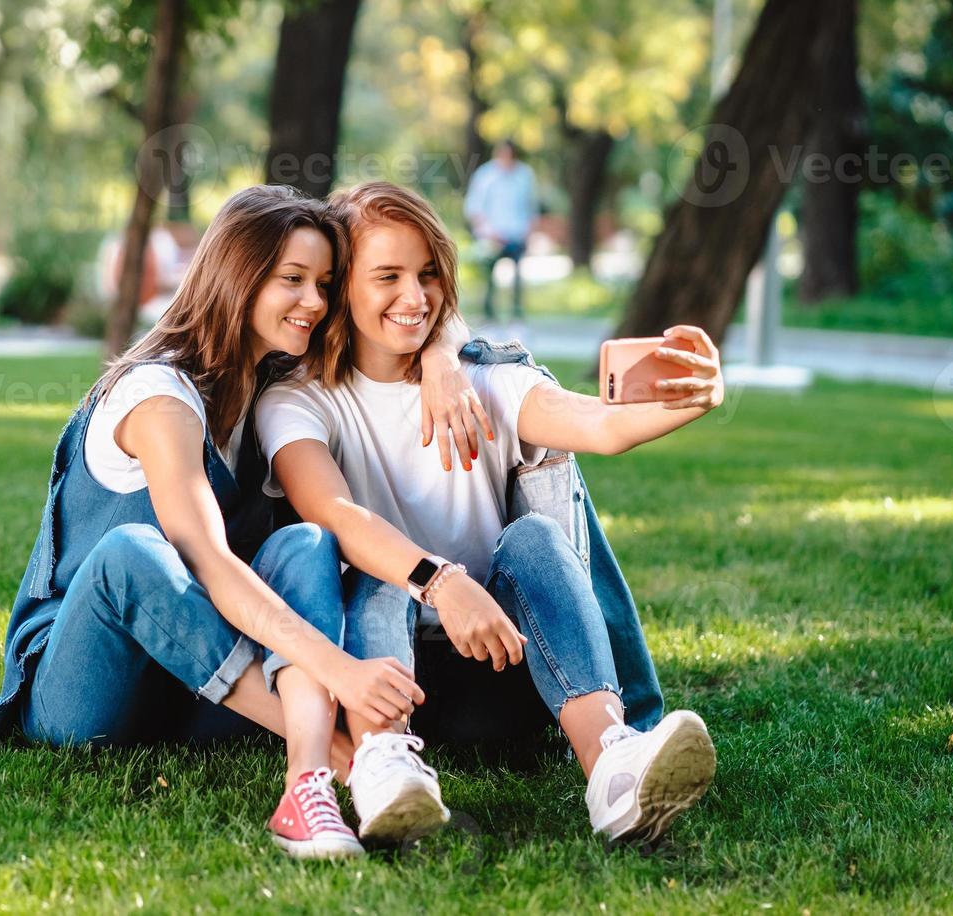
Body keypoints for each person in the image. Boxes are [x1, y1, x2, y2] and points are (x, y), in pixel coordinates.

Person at [0, 185, 488, 860]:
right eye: (292, 280)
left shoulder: (267, 393)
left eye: (322, 283)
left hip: (197, 694)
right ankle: (345, 764)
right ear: (238, 275)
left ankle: (303, 788)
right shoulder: (158, 396)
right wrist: (341, 671)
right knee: (132, 554)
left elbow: (409, 316)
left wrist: (441, 358)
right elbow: (205, 556)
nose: (314, 302)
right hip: (87, 699)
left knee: (307, 541)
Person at [257, 181, 721, 843]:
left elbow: (600, 424)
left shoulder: (485, 380)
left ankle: (611, 766)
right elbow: (328, 508)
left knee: (533, 537)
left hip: (508, 668)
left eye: (428, 275)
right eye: (387, 276)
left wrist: (692, 396)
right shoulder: (301, 400)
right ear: (341, 289)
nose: (414, 298)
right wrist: (443, 582)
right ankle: (383, 767)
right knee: (371, 564)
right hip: (388, 681)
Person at [463, 140, 537, 320]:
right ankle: (489, 313)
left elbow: (531, 206)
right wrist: (487, 231)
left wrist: (528, 232)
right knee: (490, 277)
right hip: (492, 235)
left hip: (516, 234)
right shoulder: (486, 175)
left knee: (517, 276)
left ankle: (516, 313)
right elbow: (474, 207)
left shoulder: (524, 175)